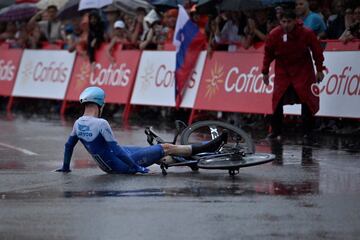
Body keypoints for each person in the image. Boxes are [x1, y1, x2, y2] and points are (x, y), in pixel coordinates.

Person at [56, 87, 228, 174]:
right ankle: (207, 147)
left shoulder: (78, 124)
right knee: (165, 147)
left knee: (146, 151)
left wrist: (65, 167)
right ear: (100, 104)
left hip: (108, 165)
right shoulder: (101, 123)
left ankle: (188, 159)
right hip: (120, 165)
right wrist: (136, 168)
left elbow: (68, 146)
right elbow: (116, 150)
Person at [261, 9, 325, 140]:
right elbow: (268, 54)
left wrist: (319, 70)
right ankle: (276, 131)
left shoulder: (306, 33)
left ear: (295, 21)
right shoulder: (274, 34)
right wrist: (265, 71)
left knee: (307, 101)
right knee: (277, 101)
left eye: (289, 22)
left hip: (303, 71)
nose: (286, 25)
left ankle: (308, 131)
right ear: (280, 22)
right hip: (283, 72)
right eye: (283, 22)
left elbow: (317, 52)